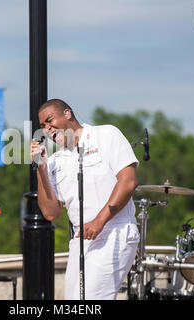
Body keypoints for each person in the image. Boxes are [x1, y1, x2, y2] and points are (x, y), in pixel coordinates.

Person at [31, 98, 140, 299]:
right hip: (80, 241)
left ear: (67, 114)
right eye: (42, 126)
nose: (47, 129)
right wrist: (42, 170)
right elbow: (50, 212)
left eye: (49, 120)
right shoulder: (55, 161)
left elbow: (128, 181)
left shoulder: (105, 134)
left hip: (114, 232)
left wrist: (99, 221)